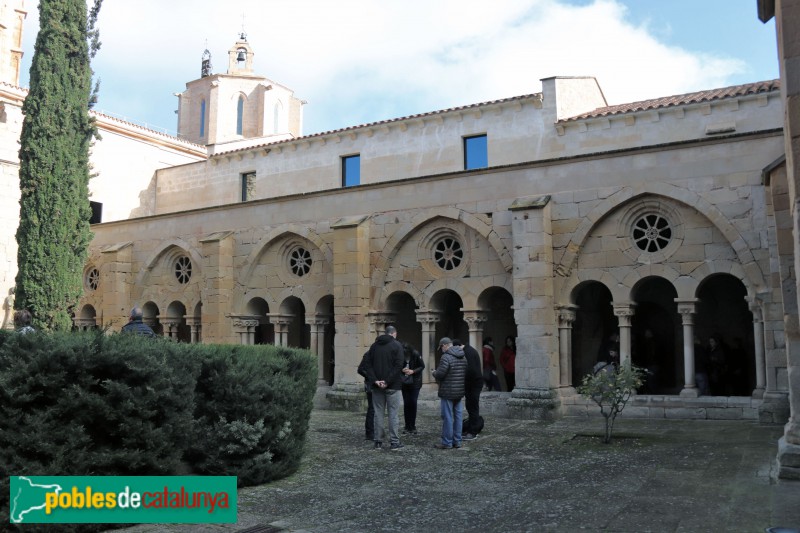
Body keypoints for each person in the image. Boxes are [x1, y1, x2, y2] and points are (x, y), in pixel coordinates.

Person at [363, 325, 405, 451]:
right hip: (393, 386)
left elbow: (367, 365)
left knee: (378, 413)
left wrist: (376, 380)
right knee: (393, 414)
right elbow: (398, 365)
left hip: (377, 386)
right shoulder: (397, 345)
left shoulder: (374, 346)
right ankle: (394, 442)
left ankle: (378, 441)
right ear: (394, 333)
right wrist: (387, 381)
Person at [432, 337, 467, 449]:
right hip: (459, 390)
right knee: (458, 416)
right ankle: (458, 441)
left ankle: (447, 442)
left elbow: (440, 374)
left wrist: (434, 373)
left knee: (447, 417)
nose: (441, 349)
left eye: (441, 347)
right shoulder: (463, 355)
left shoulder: (446, 357)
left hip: (448, 391)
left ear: (445, 345)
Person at [454, 339, 483, 440]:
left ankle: (473, 432)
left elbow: (471, 370)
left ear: (457, 347)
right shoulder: (468, 350)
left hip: (474, 384)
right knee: (470, 406)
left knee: (473, 406)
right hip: (472, 384)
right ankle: (471, 428)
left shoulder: (468, 352)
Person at [400, 342, 425, 435]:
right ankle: (407, 425)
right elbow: (397, 366)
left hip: (415, 382)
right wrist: (402, 369)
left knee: (413, 402)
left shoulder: (415, 354)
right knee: (406, 403)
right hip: (405, 382)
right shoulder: (400, 354)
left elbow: (422, 366)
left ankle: (413, 426)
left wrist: (413, 371)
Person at [357, 351, 375, 441]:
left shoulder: (369, 354)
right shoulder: (370, 354)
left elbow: (360, 369)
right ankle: (370, 433)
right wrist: (371, 377)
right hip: (372, 385)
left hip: (371, 384)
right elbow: (360, 370)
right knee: (372, 409)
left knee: (372, 409)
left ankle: (371, 432)